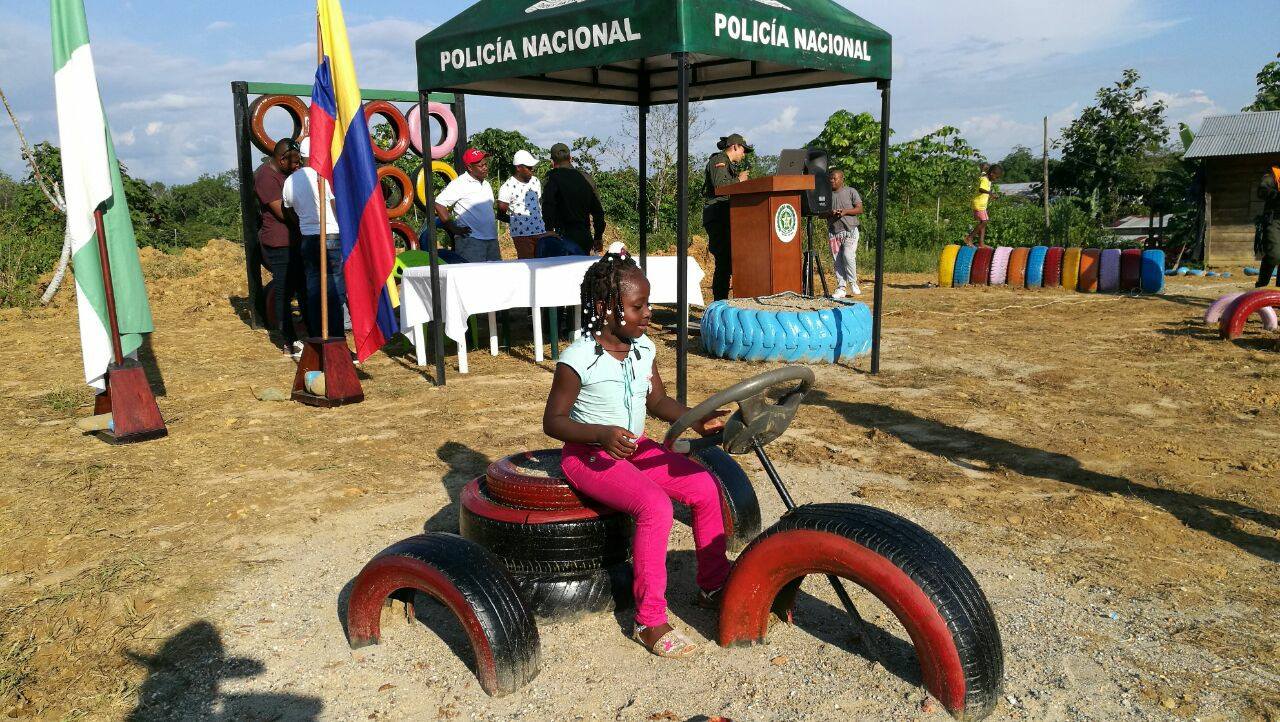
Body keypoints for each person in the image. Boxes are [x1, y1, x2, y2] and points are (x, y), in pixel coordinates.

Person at [542, 243, 731, 659]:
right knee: (655, 506)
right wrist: (600, 434)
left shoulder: (643, 348)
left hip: (634, 446)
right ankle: (648, 619)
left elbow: (657, 401)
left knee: (702, 484)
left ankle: (713, 585)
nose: (648, 313)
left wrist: (697, 417)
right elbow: (553, 422)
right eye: (638, 306)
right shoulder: (578, 359)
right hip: (589, 455)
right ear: (605, 307)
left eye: (648, 304)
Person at [282, 139, 345, 339]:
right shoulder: (326, 176)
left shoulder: (291, 180)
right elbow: (335, 206)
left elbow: (288, 208)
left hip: (308, 238)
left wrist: (303, 223)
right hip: (332, 235)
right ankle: (335, 339)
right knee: (334, 291)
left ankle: (318, 337)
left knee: (314, 290)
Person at [254, 138, 305, 357]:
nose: (296, 166)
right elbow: (281, 212)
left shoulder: (286, 174)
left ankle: (304, 335)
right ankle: (288, 341)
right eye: (293, 162)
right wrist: (307, 220)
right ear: (281, 158)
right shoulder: (266, 176)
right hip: (279, 242)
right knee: (283, 291)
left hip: (295, 241)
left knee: (302, 288)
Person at [703, 133, 751, 301]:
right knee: (723, 263)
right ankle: (719, 304)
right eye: (743, 150)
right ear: (735, 146)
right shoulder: (719, 160)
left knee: (728, 262)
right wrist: (739, 180)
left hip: (727, 217)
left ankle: (724, 302)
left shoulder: (728, 164)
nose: (744, 154)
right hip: (717, 216)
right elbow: (719, 186)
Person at [435, 148, 499, 262]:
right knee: (472, 276)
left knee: (494, 275)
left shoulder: (486, 184)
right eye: (481, 165)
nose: (485, 167)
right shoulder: (460, 184)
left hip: (491, 239)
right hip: (471, 241)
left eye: (485, 164)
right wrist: (453, 228)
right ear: (470, 167)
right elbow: (439, 204)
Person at [542, 142, 605, 254]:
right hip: (585, 236)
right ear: (570, 158)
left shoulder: (552, 178)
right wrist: (598, 237)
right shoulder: (586, 178)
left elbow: (548, 205)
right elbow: (598, 211)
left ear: (552, 161)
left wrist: (549, 230)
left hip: (562, 237)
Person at [497, 149, 548, 259]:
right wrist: (518, 221)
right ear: (518, 167)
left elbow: (538, 205)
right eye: (529, 167)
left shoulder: (535, 181)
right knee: (528, 265)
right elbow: (500, 214)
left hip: (540, 231)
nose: (532, 170)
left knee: (543, 264)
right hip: (522, 235)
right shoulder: (507, 187)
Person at [827, 169, 864, 298]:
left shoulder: (851, 191)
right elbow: (820, 214)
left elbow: (860, 209)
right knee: (837, 261)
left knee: (848, 256)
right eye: (830, 178)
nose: (832, 181)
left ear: (842, 179)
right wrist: (830, 213)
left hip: (850, 231)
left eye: (835, 178)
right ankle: (841, 288)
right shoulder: (826, 195)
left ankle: (853, 282)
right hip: (834, 233)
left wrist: (845, 212)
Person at [964, 163, 1003, 247]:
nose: (996, 179)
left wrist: (984, 168)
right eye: (996, 177)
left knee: (983, 222)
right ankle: (969, 238)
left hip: (981, 205)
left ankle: (981, 243)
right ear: (992, 173)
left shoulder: (986, 178)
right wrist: (990, 193)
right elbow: (981, 189)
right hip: (979, 205)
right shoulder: (984, 179)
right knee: (985, 221)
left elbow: (983, 170)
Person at [1254, 165, 1280, 287]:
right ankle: (1261, 285)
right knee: (1274, 255)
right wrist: (1276, 195)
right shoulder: (1274, 174)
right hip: (1274, 219)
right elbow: (1262, 191)